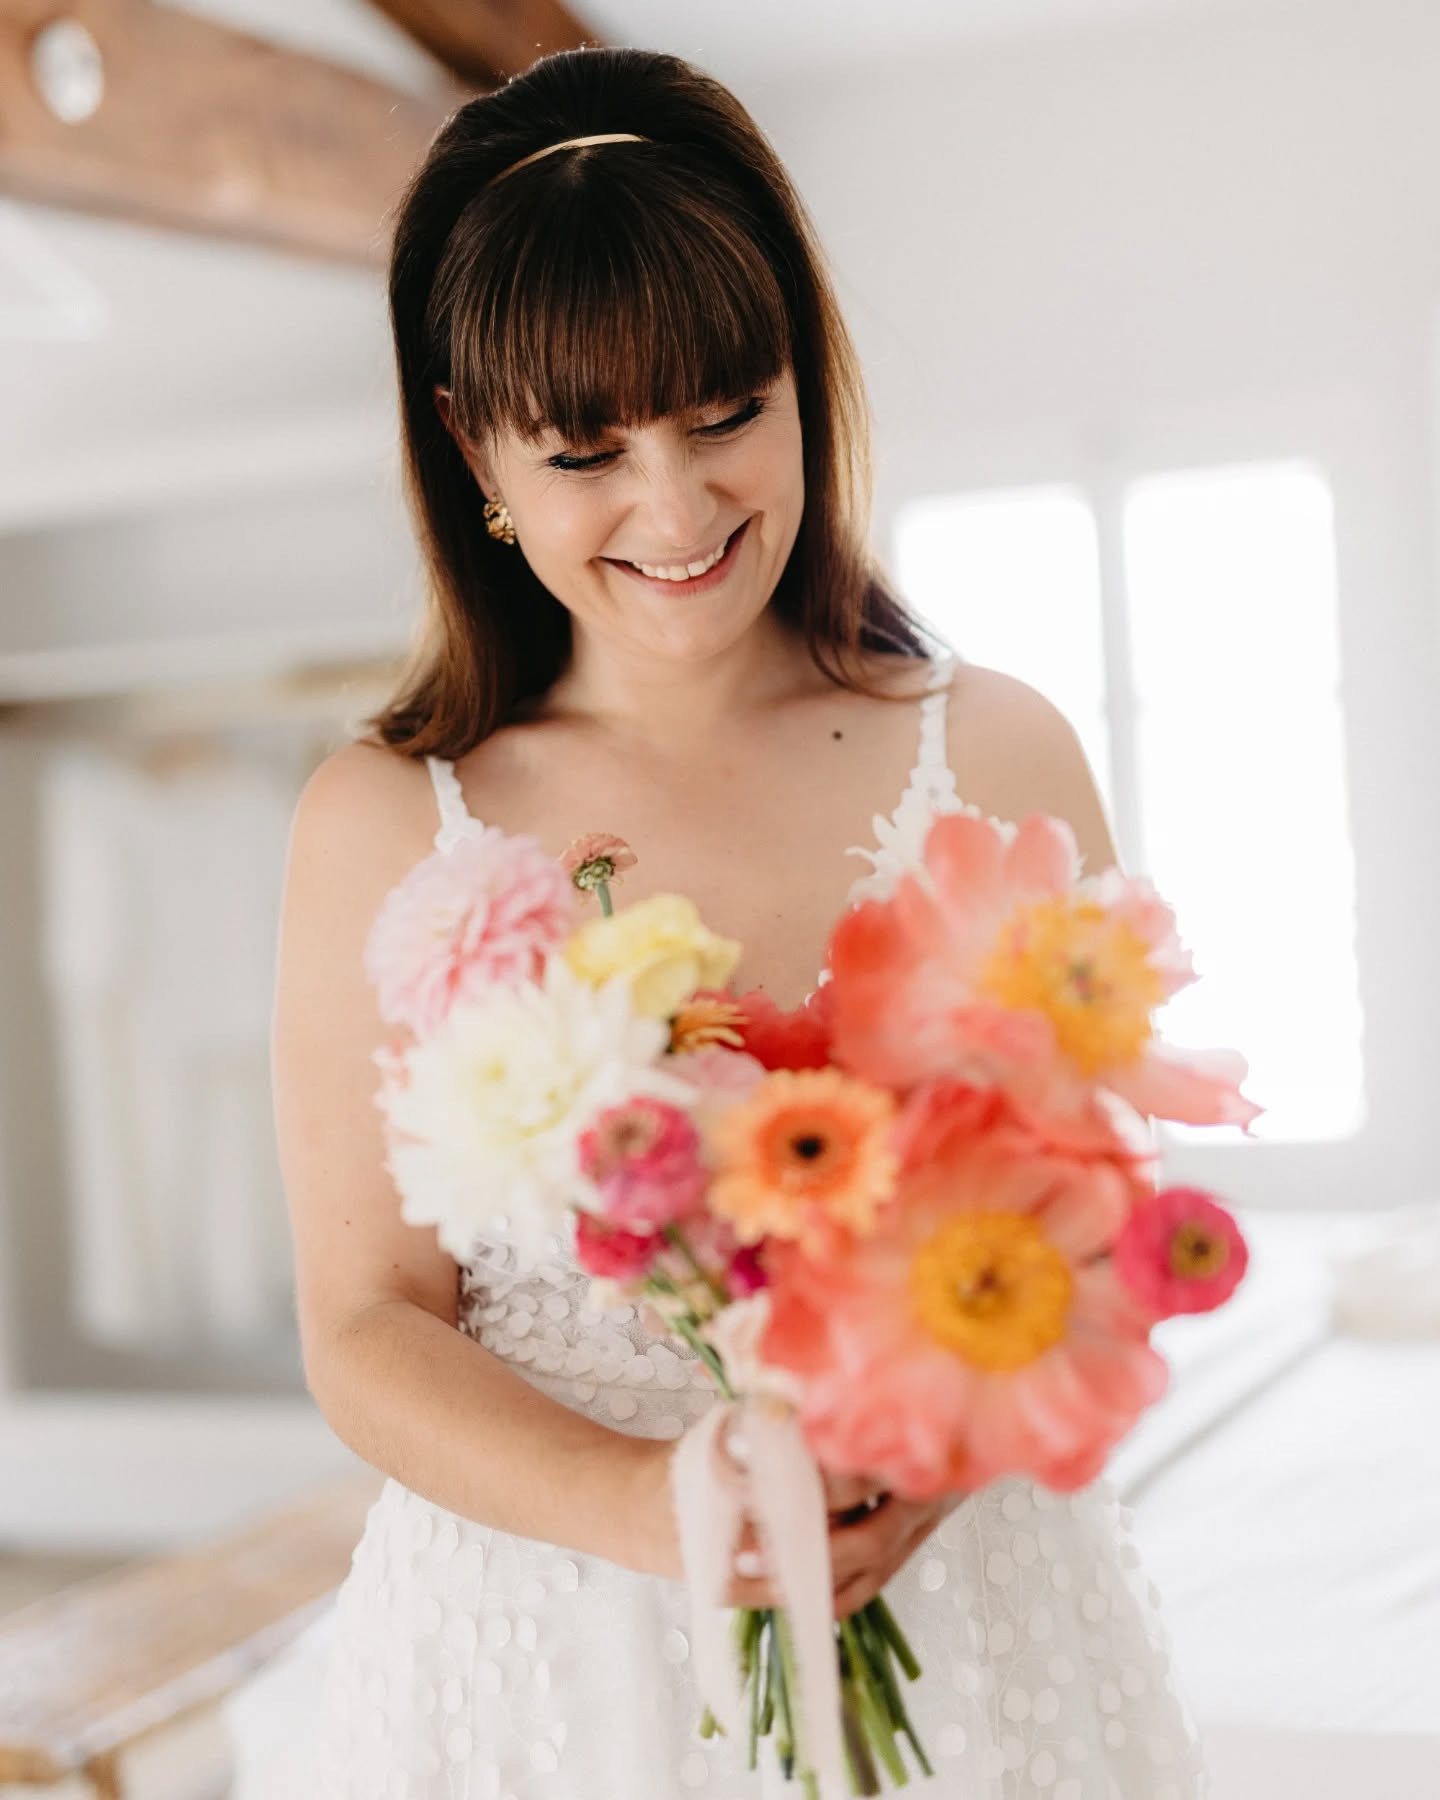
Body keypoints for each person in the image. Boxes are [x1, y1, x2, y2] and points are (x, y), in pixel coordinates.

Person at [270, 44, 1210, 1799]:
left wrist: (920, 1459)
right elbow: (365, 1327)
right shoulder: (385, 820)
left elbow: (1095, 1217)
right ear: (476, 452)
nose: (679, 509)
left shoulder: (995, 749)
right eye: (587, 451)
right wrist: (652, 1508)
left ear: (806, 385)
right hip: (540, 1655)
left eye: (726, 415)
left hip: (959, 1604)